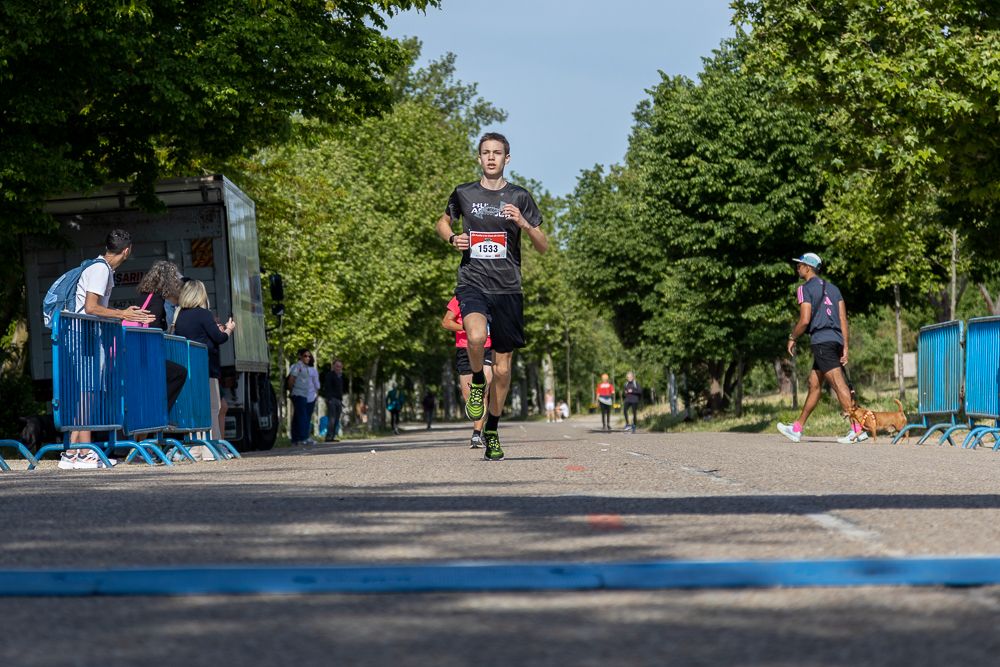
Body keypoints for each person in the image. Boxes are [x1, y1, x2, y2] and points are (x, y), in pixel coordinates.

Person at [436, 132, 548, 461]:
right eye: (485, 152)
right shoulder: (464, 193)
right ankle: (476, 381)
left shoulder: (520, 196)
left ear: (507, 159)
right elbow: (442, 222)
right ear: (478, 158)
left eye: (497, 153)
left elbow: (543, 246)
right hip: (473, 280)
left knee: (502, 369)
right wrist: (452, 237)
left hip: (509, 288)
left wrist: (525, 224)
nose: (491, 158)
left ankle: (493, 429)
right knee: (473, 334)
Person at [58, 229, 156, 469]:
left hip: (82, 334)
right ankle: (83, 453)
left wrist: (121, 314)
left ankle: (73, 452)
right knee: (88, 391)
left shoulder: (99, 268)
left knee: (86, 392)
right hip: (85, 335)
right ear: (127, 250)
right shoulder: (101, 270)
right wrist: (123, 314)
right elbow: (91, 307)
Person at [777, 253, 868, 444]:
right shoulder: (834, 289)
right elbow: (843, 319)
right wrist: (845, 346)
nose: (798, 268)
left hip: (821, 341)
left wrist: (793, 337)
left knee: (837, 383)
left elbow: (805, 320)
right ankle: (797, 428)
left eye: (800, 265)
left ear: (808, 268)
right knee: (814, 385)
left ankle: (857, 428)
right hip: (835, 339)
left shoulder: (804, 289)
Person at [172, 279, 236, 448]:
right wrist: (229, 329)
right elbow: (218, 337)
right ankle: (211, 447)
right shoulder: (204, 314)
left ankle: (196, 448)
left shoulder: (180, 316)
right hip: (207, 367)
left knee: (196, 410)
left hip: (188, 367)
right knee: (213, 408)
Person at [441, 295, 495, 447]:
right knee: (470, 397)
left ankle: (477, 434)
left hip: (488, 347)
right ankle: (481, 427)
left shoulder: (494, 297)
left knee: (483, 387)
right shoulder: (460, 298)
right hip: (464, 349)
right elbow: (446, 322)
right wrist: (467, 327)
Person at [135, 260, 187, 413]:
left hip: (136, 353)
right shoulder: (157, 302)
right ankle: (160, 413)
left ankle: (154, 416)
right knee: (179, 373)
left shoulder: (144, 297)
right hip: (146, 354)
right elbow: (154, 328)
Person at [286, 349, 320, 445]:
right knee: (302, 417)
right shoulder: (297, 367)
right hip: (298, 394)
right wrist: (292, 391)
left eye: (309, 356)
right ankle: (303, 437)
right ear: (300, 356)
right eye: (305, 356)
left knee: (298, 417)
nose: (308, 358)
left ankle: (296, 439)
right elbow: (291, 380)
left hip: (304, 395)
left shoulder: (305, 368)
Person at [321, 359, 345, 442]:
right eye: (337, 366)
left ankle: (333, 436)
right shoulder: (330, 375)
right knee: (332, 418)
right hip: (332, 400)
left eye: (340, 366)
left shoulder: (340, 376)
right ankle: (328, 437)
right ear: (333, 366)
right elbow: (327, 388)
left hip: (338, 400)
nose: (339, 368)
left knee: (337, 419)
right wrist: (329, 399)